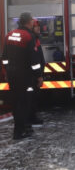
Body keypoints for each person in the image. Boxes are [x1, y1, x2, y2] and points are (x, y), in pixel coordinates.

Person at [1, 12, 43, 140]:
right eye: (32, 21)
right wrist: (39, 76)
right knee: (23, 103)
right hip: (25, 76)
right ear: (28, 22)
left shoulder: (9, 35)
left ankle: (21, 129)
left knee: (16, 102)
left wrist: (6, 72)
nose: (33, 22)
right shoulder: (29, 36)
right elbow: (34, 60)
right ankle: (20, 131)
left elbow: (5, 58)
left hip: (12, 75)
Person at [29, 19, 45, 125]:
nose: (38, 28)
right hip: (32, 75)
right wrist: (38, 75)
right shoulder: (32, 39)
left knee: (34, 97)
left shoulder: (36, 39)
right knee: (31, 97)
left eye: (39, 26)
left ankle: (33, 117)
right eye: (36, 26)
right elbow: (34, 59)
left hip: (36, 74)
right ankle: (31, 118)